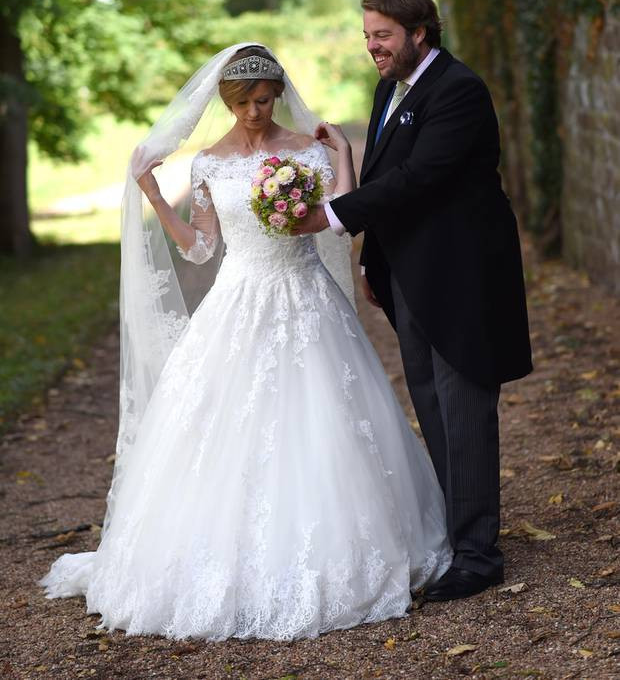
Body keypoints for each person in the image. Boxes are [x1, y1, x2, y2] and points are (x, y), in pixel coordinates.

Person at [40, 43, 452, 640]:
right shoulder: (207, 164)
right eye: (243, 103)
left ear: (278, 94)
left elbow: (342, 216)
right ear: (227, 102)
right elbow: (201, 246)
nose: (255, 111)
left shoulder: (306, 150)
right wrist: (155, 195)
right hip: (238, 299)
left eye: (264, 99)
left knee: (328, 417)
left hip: (307, 298)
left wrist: (341, 157)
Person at [295, 0, 533, 602]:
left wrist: (333, 216)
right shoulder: (388, 87)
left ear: (419, 33)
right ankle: (458, 536)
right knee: (430, 402)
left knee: (465, 409)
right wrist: (374, 260)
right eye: (368, 34)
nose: (371, 46)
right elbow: (383, 175)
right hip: (410, 274)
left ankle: (480, 556)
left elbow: (419, 178)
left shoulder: (459, 91)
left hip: (461, 274)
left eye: (383, 35)